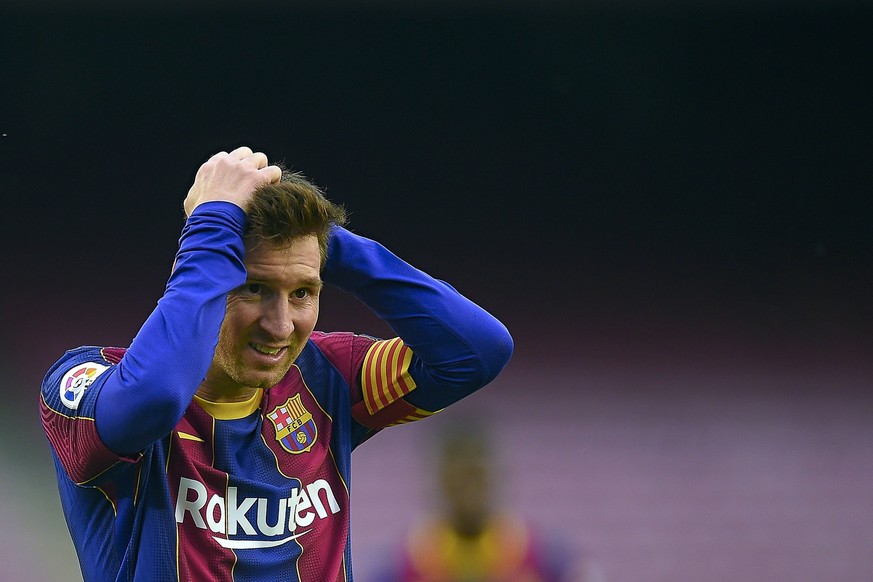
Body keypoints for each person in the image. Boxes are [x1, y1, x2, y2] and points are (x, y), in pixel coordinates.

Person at [39, 146, 514, 581]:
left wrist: (321, 242)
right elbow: (157, 395)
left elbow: (477, 352)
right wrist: (213, 222)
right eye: (254, 288)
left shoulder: (328, 376)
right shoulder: (83, 386)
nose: (281, 325)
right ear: (205, 277)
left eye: (302, 292)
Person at [374, 425, 604, 582]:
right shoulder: (396, 568)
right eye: (458, 478)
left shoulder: (552, 560)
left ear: (500, 476)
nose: (469, 491)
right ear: (435, 481)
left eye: (478, 476)